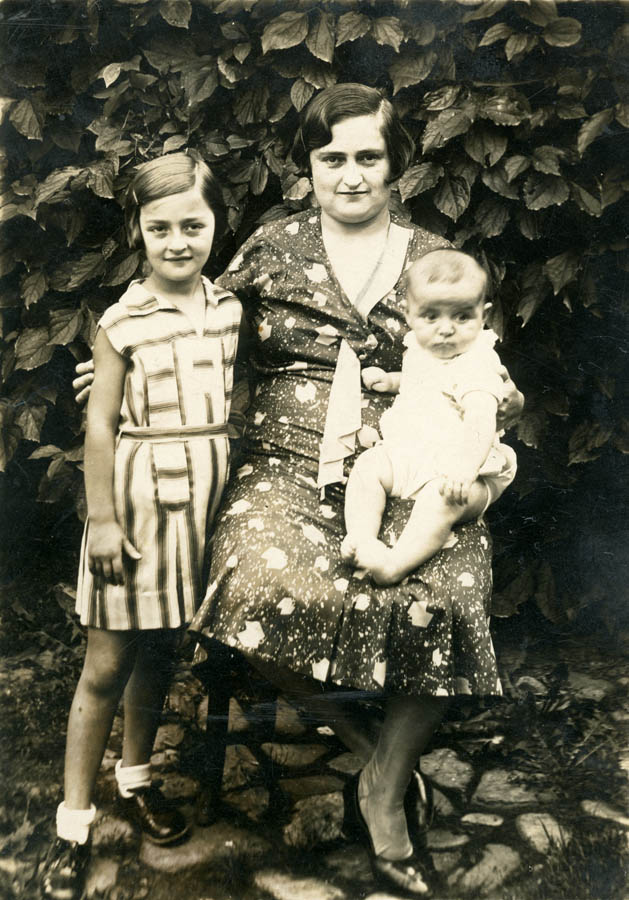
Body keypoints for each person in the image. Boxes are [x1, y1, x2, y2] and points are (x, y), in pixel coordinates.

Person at [72, 85, 523, 897]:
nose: (350, 176)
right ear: (307, 166)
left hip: (412, 456)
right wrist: (114, 371)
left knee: (453, 591)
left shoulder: (435, 257)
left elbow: (478, 360)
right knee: (254, 584)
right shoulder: (271, 249)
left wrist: (499, 400)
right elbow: (192, 322)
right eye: (331, 158)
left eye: (367, 157)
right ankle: (368, 746)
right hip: (282, 461)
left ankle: (381, 787)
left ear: (397, 166)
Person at [42, 153, 244, 900]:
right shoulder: (123, 320)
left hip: (202, 509)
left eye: (193, 225)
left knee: (162, 648)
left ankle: (135, 779)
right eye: (159, 227)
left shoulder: (230, 311)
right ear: (137, 230)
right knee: (106, 665)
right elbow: (100, 426)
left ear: (217, 226)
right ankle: (73, 816)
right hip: (135, 509)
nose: (177, 241)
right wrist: (100, 519)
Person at [341, 248, 517, 586]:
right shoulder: (422, 348)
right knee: (368, 468)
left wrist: (464, 471)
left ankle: (395, 564)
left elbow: (480, 419)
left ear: (484, 316)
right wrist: (393, 381)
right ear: (409, 315)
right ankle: (363, 539)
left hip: (464, 468)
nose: (446, 329)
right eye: (431, 316)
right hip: (413, 451)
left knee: (440, 500)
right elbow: (430, 382)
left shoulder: (477, 362)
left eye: (462, 317)